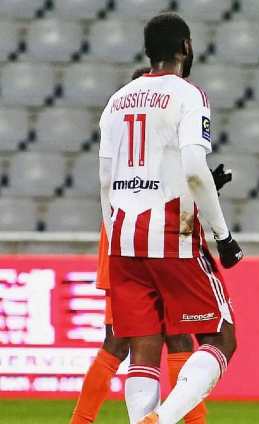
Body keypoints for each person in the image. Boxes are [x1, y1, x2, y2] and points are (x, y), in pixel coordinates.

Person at [98, 13, 243, 424]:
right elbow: (195, 168)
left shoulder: (117, 101)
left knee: (143, 346)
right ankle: (161, 419)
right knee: (221, 336)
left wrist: (116, 234)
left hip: (123, 234)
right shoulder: (188, 94)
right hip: (169, 233)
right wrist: (223, 236)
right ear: (185, 47)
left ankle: (142, 419)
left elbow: (106, 180)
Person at [69, 65, 231, 424]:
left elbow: (129, 180)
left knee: (174, 338)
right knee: (121, 339)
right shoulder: (163, 116)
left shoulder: (126, 121)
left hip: (129, 232)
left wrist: (206, 187)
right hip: (140, 237)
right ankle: (81, 421)